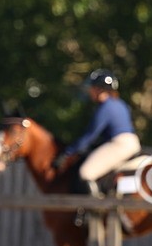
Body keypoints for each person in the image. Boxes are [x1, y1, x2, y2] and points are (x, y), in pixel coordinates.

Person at [55, 69, 142, 197]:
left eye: (92, 88)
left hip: (119, 145)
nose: (90, 91)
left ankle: (95, 211)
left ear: (99, 89)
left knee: (86, 173)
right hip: (133, 143)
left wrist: (68, 152)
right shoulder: (121, 104)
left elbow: (90, 135)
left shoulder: (105, 107)